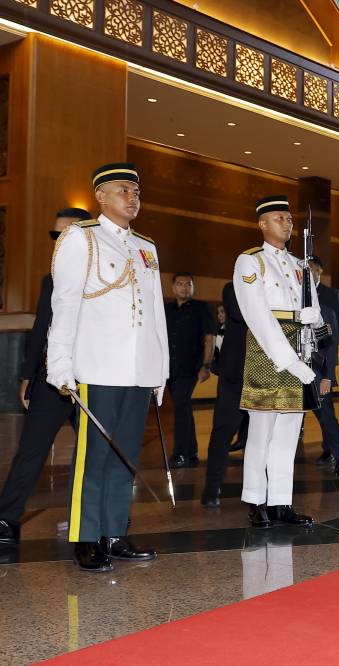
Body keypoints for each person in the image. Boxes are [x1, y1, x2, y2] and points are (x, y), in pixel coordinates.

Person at [46, 163, 167, 571]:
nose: (133, 197)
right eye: (123, 190)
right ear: (100, 196)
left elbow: (156, 315)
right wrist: (59, 363)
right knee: (93, 455)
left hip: (138, 371)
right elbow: (64, 303)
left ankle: (115, 531)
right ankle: (85, 535)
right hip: (98, 366)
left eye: (136, 191)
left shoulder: (146, 246)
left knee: (125, 455)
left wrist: (160, 370)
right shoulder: (81, 238)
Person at [0, 208, 90, 547]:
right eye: (56, 235)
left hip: (92, 379)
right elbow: (41, 328)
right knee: (31, 449)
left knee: (95, 453)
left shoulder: (101, 279)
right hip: (52, 380)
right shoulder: (50, 280)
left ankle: (96, 518)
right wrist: (28, 375)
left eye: (66, 232)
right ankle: (7, 519)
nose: (59, 240)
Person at [233, 195, 319, 529]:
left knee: (288, 433)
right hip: (267, 353)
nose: (287, 223)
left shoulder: (300, 264)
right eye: (279, 218)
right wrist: (288, 360)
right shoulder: (250, 261)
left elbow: (312, 309)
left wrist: (312, 318)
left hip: (301, 346)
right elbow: (257, 315)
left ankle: (281, 501)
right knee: (261, 432)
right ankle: (256, 501)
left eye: (289, 218)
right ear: (262, 223)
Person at [200, 282, 248, 507]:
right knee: (222, 432)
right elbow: (239, 314)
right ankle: (212, 487)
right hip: (234, 374)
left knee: (259, 437)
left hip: (266, 372)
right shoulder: (233, 288)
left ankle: (260, 489)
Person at [165, 273, 216, 468]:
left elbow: (209, 338)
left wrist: (206, 366)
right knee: (183, 407)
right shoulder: (166, 309)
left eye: (188, 284)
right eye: (180, 284)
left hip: (191, 368)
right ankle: (192, 451)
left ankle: (180, 454)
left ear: (193, 287)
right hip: (170, 369)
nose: (184, 287)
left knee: (180, 406)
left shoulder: (202, 308)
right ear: (173, 288)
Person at [308, 257, 339, 475]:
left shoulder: (326, 309)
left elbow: (331, 344)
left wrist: (327, 376)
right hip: (295, 371)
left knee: (326, 416)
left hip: (317, 371)